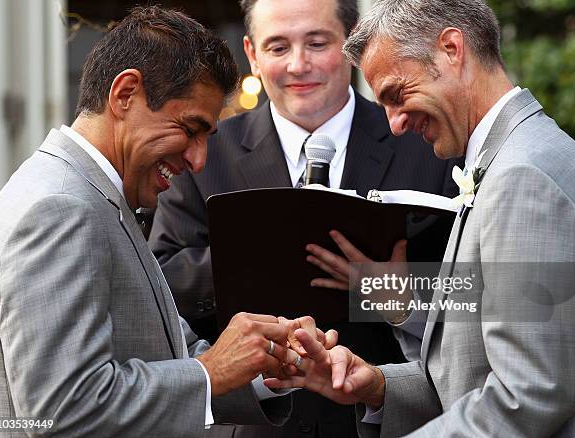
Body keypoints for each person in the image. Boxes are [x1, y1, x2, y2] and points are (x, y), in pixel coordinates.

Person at [0, 7, 332, 436]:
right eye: (190, 128)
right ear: (125, 93)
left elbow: (162, 351)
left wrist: (263, 366)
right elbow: (62, 412)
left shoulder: (91, 194)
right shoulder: (60, 208)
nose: (199, 159)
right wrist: (211, 370)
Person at [266, 0, 575, 436]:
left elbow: (528, 396)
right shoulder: (511, 161)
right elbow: (476, 374)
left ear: (451, 49)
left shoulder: (523, 176)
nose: (395, 123)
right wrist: (377, 385)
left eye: (396, 95)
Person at [149, 0, 457, 435]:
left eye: (316, 43)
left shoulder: (424, 142)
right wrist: (266, 256)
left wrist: (387, 293)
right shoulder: (204, 151)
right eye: (277, 47)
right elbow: (162, 283)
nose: (298, 65)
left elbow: (470, 289)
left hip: (387, 419)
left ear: (351, 45)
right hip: (251, 424)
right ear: (252, 54)